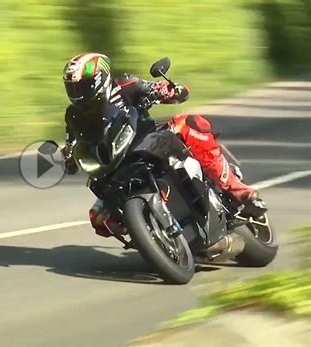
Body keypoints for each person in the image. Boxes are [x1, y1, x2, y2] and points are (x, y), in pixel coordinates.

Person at [61, 53, 262, 238]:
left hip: (147, 138)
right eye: (72, 88)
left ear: (99, 78)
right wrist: (69, 156)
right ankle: (147, 234)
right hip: (114, 164)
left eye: (81, 86)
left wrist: (167, 91)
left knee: (188, 123)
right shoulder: (73, 115)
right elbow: (72, 141)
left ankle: (236, 189)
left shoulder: (123, 84)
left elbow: (155, 88)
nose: (77, 93)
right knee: (98, 219)